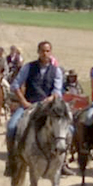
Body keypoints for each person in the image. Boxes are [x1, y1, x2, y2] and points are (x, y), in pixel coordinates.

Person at [4, 41, 63, 176]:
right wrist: (24, 102)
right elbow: (15, 85)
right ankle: (11, 159)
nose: (45, 53)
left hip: (48, 106)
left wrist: (51, 98)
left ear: (51, 52)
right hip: (29, 104)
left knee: (67, 129)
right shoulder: (28, 67)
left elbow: (57, 91)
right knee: (12, 127)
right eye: (42, 51)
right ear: (38, 52)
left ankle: (62, 162)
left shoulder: (56, 71)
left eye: (48, 51)